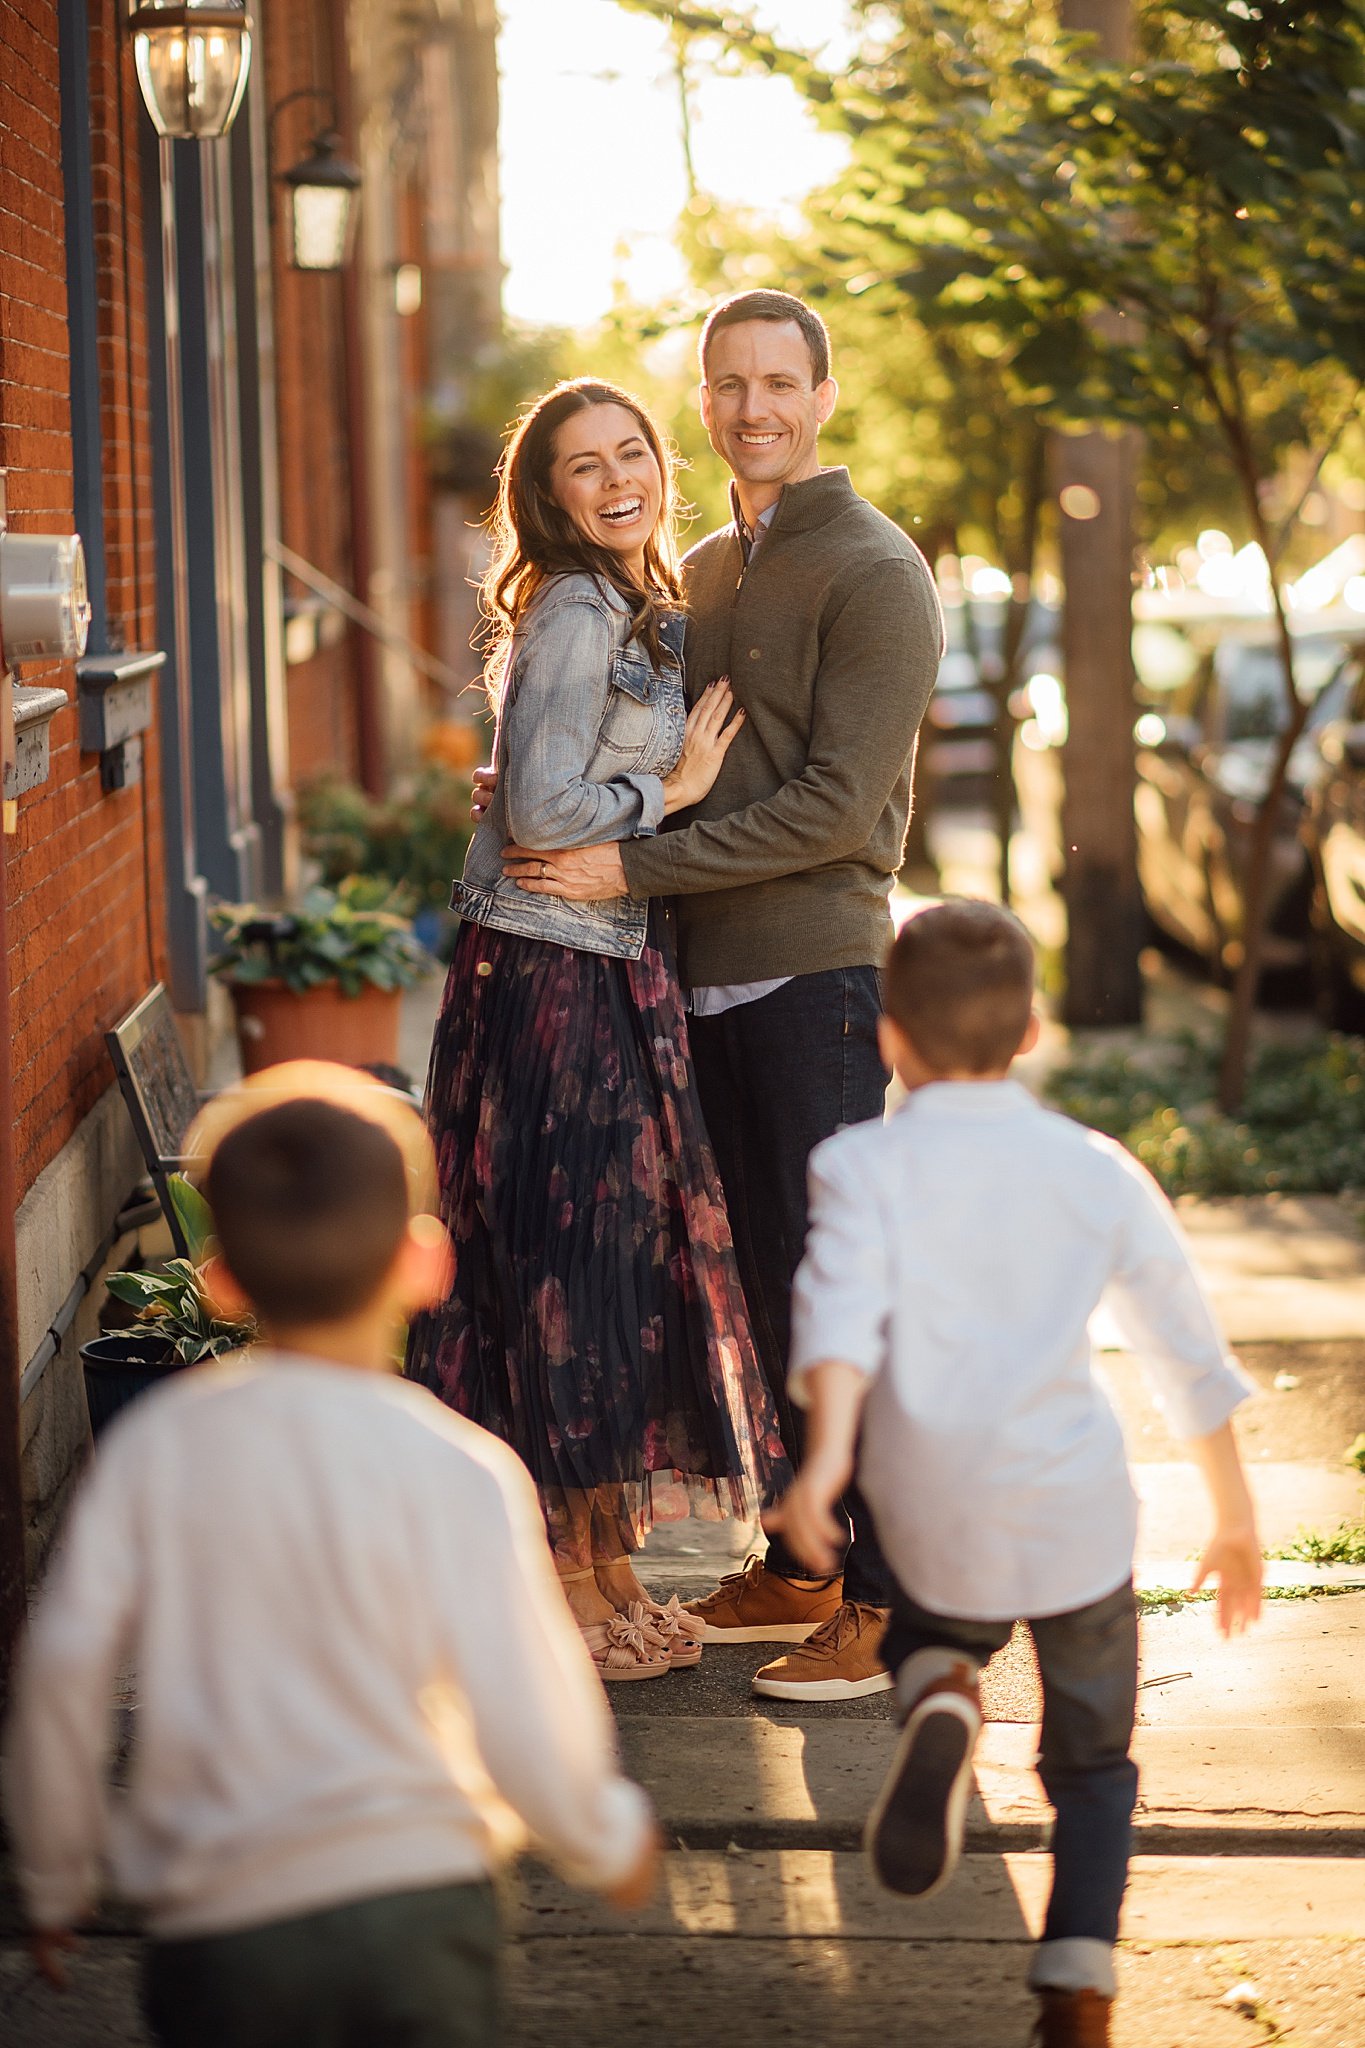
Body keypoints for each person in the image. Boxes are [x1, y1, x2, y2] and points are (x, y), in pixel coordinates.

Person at [2, 1062, 657, 2048]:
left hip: (222, 1920)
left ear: (220, 1282)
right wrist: (599, 1831)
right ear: (425, 1263)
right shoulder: (463, 1465)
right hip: (422, 1907)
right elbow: (524, 1690)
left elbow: (62, 1673)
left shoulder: (156, 1450)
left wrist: (54, 1873)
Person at [500, 289, 945, 1700]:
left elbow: (837, 807)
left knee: (836, 1297)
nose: (755, 407)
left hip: (815, 978)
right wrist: (555, 795)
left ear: (822, 396)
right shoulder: (700, 563)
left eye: (779, 382)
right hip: (693, 984)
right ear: (703, 402)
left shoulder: (876, 569)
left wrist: (630, 864)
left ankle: (888, 1599)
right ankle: (804, 1559)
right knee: (758, 1294)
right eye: (730, 384)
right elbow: (640, 745)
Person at [765, 900, 1263, 2048]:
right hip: (1074, 1512)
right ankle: (1080, 1982)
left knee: (936, 1626)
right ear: (1032, 1031)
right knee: (1094, 1765)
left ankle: (942, 1689)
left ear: (888, 1035)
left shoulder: (857, 1163)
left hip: (931, 1503)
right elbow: (1186, 1349)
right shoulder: (1093, 1169)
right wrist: (1234, 1514)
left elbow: (836, 1318)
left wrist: (825, 1463)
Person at [405, 377, 789, 1680]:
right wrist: (669, 786)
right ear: (548, 494)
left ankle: (608, 1563)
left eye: (632, 452)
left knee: (594, 1274)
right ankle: (562, 1585)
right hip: (548, 977)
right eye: (586, 464)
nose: (619, 478)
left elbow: (533, 777)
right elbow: (545, 813)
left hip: (597, 963)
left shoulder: (630, 601)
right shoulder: (577, 605)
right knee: (559, 1280)